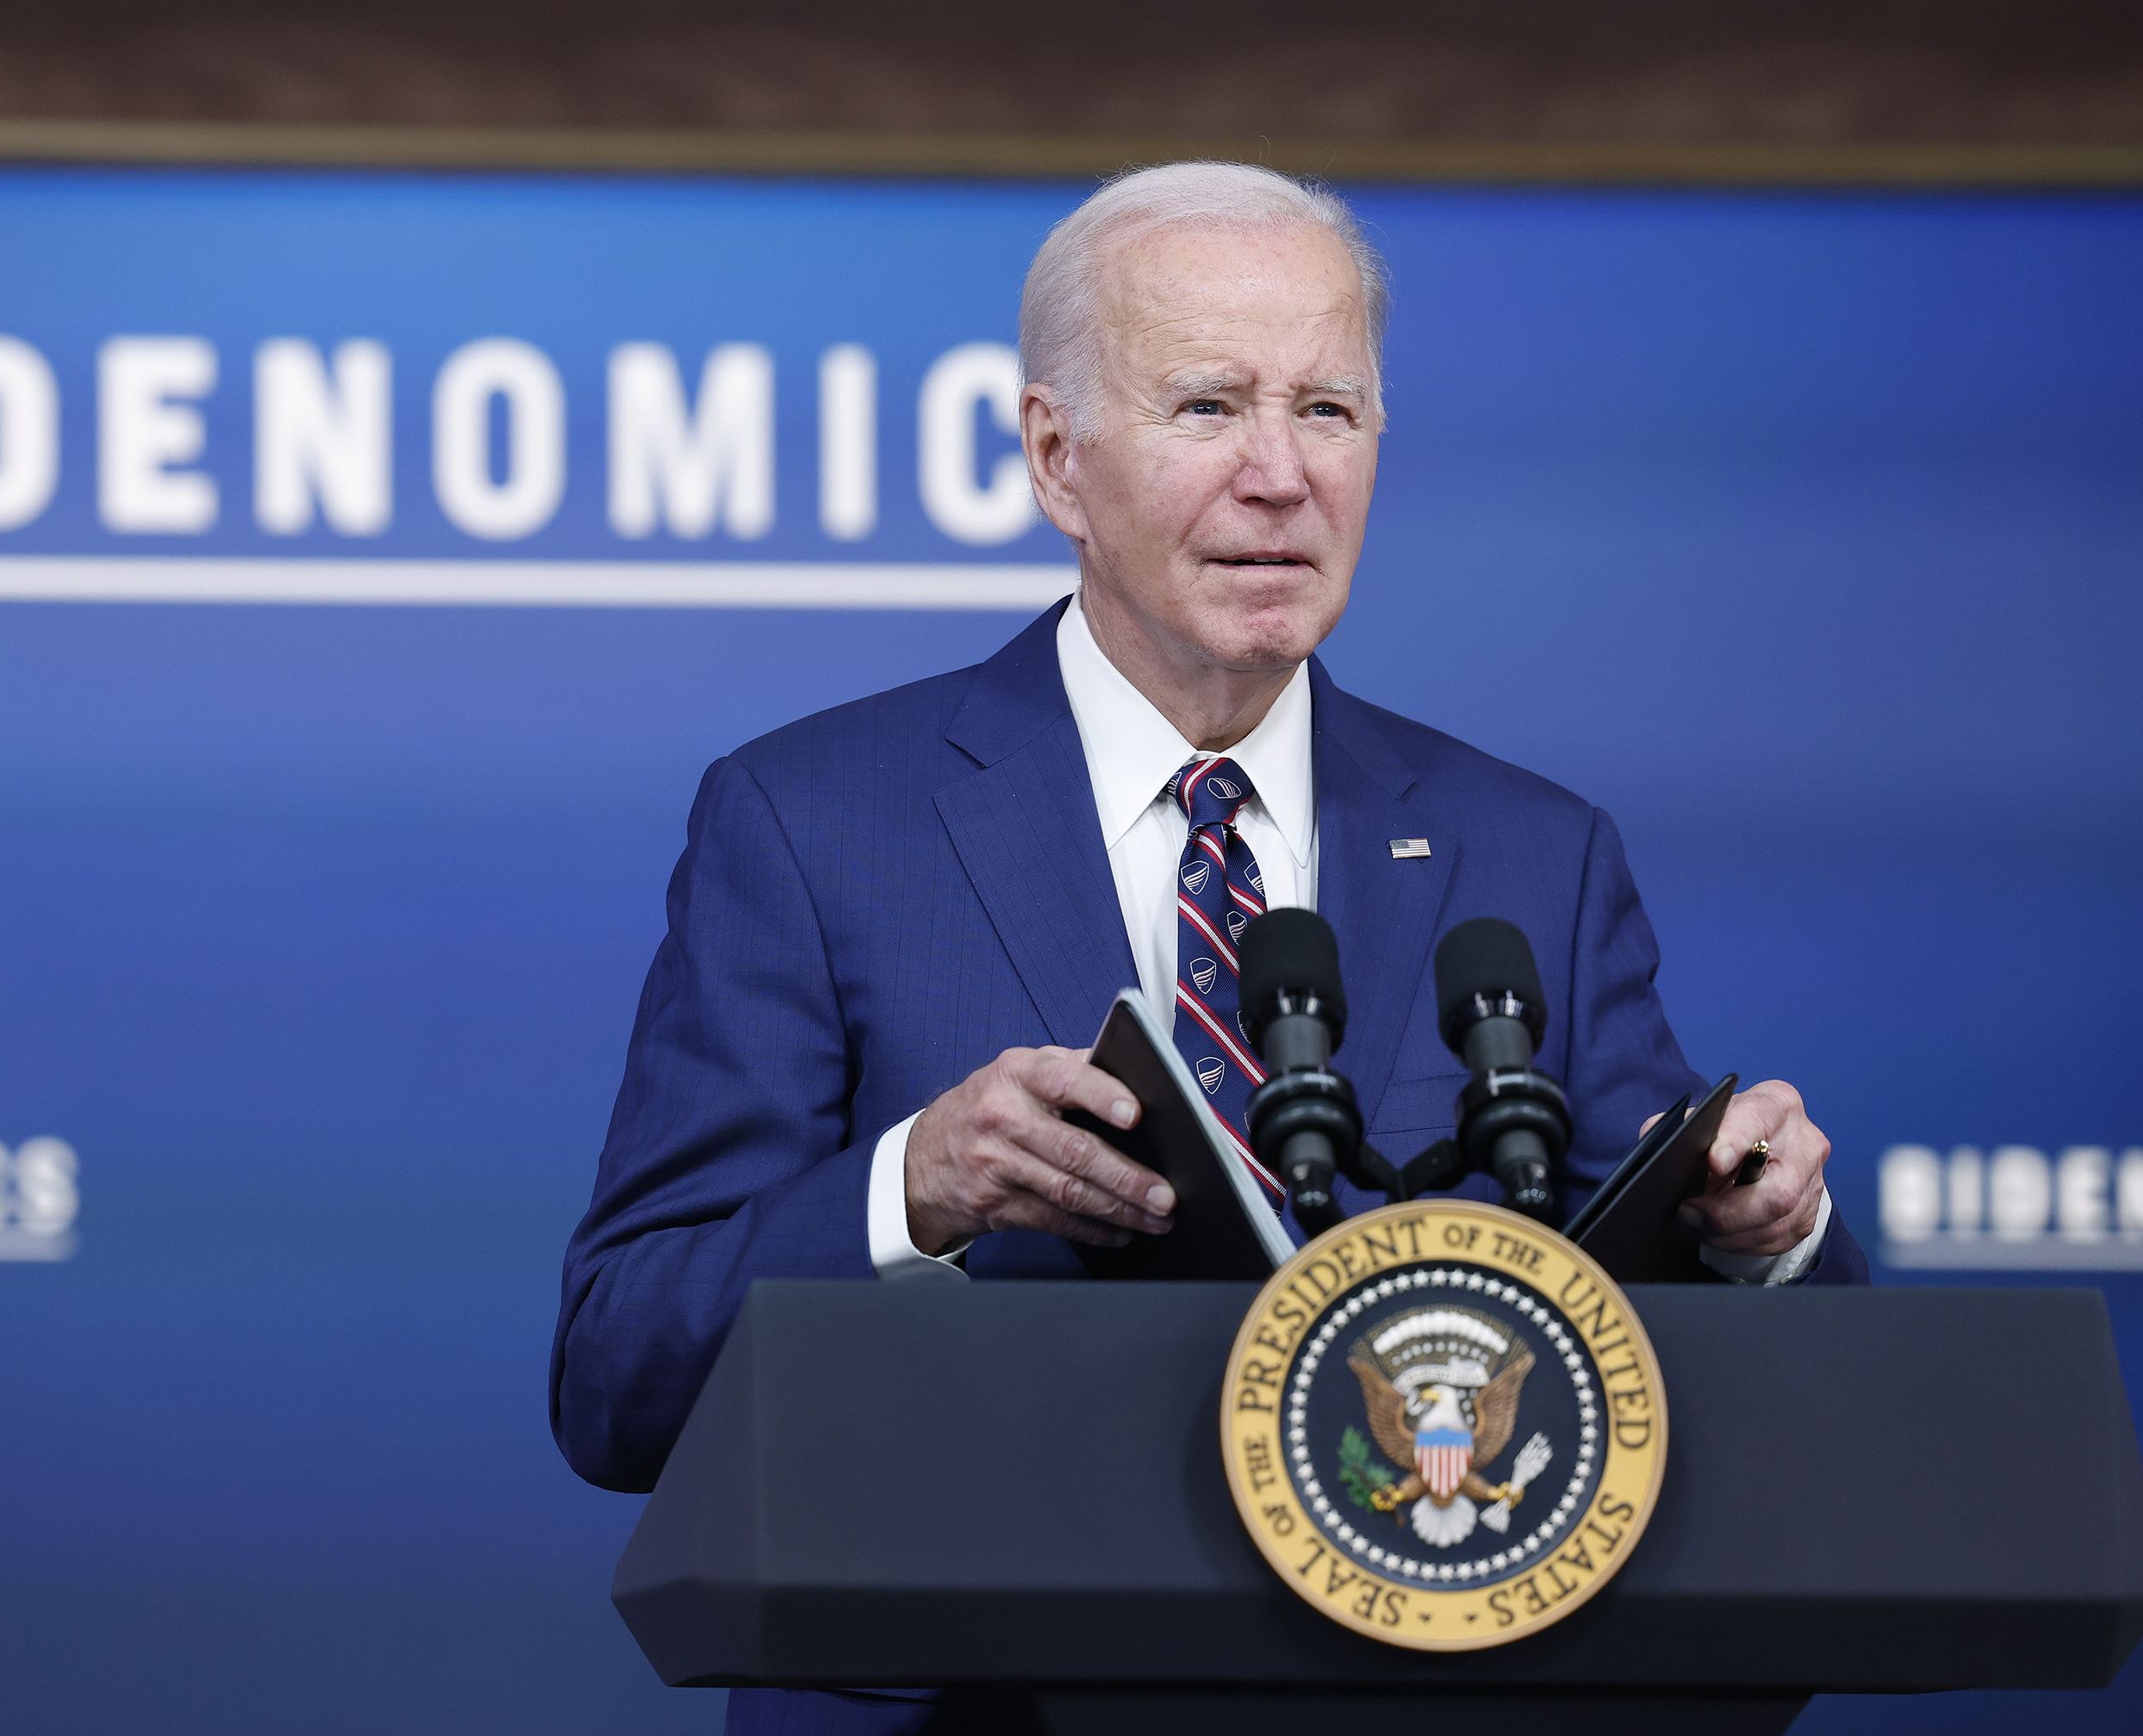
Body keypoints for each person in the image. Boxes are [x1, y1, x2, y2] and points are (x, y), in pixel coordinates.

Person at [554, 161, 1868, 1733]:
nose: (1279, 476)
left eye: (1328, 409)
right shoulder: (813, 822)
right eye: (1205, 408)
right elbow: (618, 1376)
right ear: (1056, 456)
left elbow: (1711, 1362)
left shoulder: (1532, 850)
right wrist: (918, 1188)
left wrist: (1765, 1230)